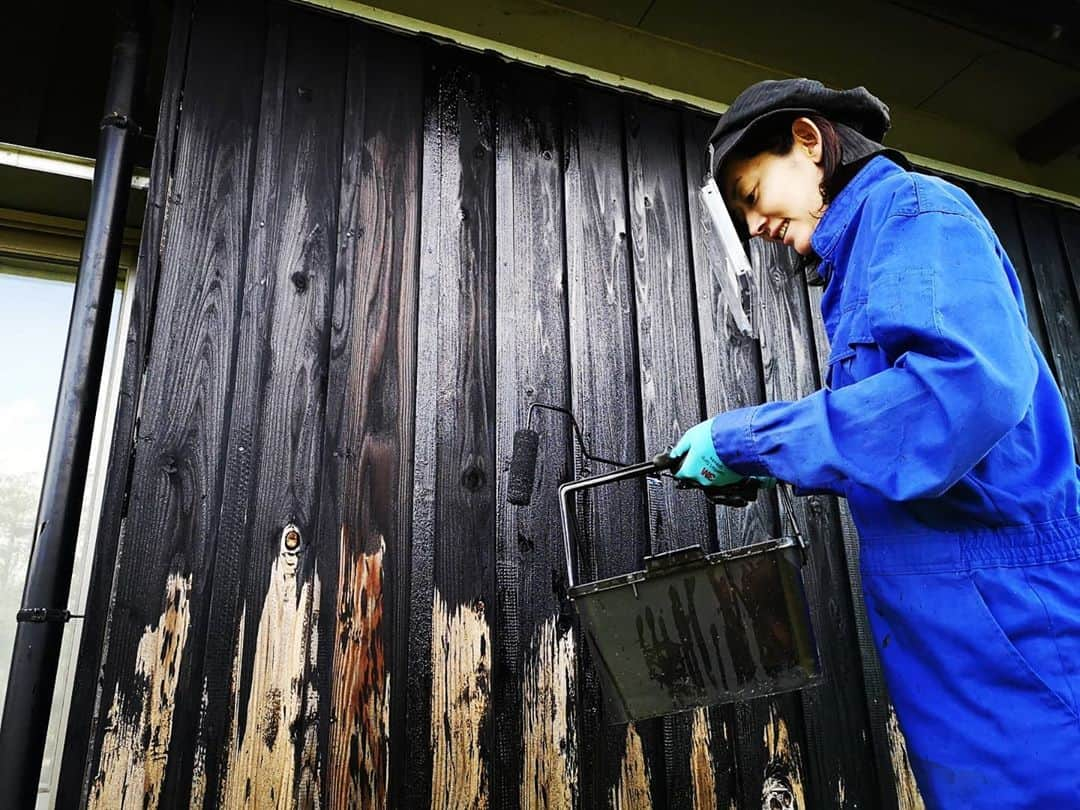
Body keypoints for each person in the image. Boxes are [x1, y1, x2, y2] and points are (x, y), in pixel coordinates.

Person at [670, 77, 1080, 807]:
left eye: (751, 191)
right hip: (948, 629)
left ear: (807, 140)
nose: (754, 223)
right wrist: (767, 463)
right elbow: (889, 429)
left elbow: (953, 398)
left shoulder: (917, 213)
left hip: (1009, 616)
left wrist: (749, 440)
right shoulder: (860, 261)